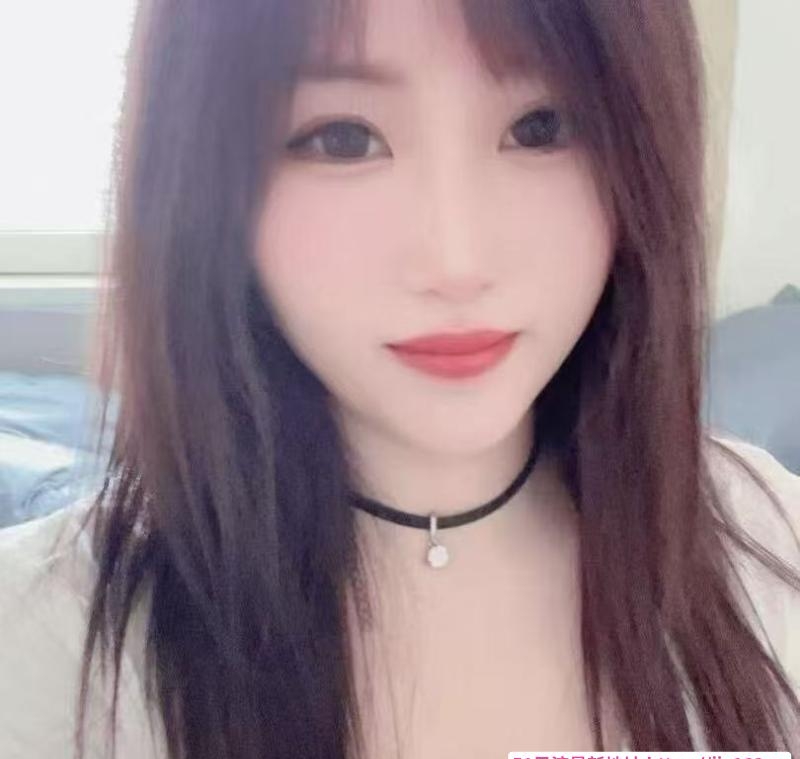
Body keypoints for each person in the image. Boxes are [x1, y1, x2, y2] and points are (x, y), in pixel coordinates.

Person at [1, 0, 798, 757]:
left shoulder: (766, 544)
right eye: (343, 139)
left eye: (542, 127)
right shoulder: (44, 649)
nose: (457, 261)